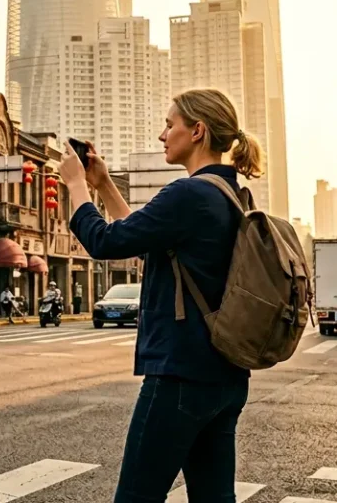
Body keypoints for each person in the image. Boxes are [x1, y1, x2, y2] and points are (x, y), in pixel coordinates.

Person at [61, 88, 256, 502]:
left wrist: (77, 186)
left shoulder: (187, 194)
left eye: (171, 125)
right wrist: (105, 185)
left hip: (180, 375)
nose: (162, 135)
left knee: (136, 497)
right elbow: (145, 239)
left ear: (198, 131)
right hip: (225, 376)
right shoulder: (231, 195)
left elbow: (105, 242)